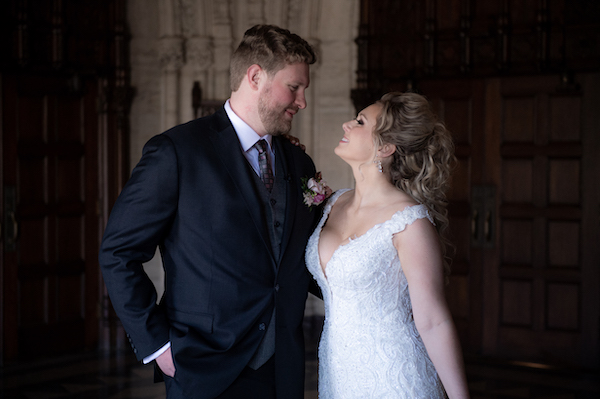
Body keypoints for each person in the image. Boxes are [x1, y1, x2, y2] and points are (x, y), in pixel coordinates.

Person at [99, 24, 321, 399]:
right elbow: (118, 252)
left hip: (283, 369)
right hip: (203, 366)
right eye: (294, 87)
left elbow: (305, 258)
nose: (301, 102)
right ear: (255, 76)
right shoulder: (177, 152)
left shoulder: (298, 163)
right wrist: (159, 347)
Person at [305, 92, 470, 398]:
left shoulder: (409, 221)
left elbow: (433, 320)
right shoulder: (333, 203)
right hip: (339, 373)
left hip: (396, 375)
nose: (346, 125)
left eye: (359, 121)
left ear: (385, 147)